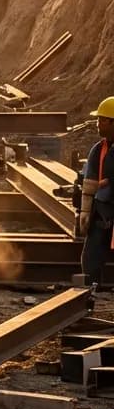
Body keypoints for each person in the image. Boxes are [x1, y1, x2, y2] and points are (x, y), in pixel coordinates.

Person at [77, 96, 114, 287]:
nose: (98, 124)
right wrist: (85, 211)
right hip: (102, 212)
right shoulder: (98, 149)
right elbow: (90, 182)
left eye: (102, 120)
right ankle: (91, 290)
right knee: (91, 256)